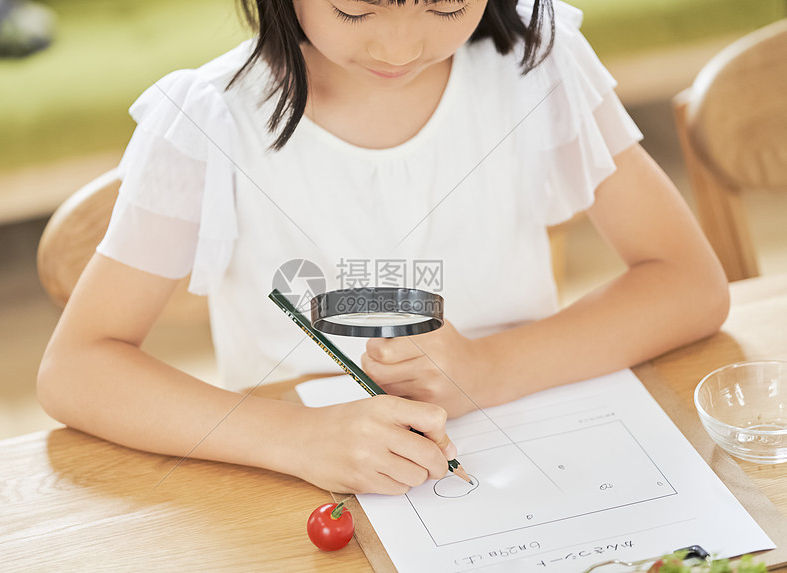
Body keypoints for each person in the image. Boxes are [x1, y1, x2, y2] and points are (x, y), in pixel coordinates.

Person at [37, 0, 729, 496]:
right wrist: (298, 438)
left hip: (520, 455)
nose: (400, 49)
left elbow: (690, 284)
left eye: (446, 5)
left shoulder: (537, 64)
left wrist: (485, 368)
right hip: (290, 487)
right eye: (356, 11)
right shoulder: (207, 121)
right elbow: (76, 367)